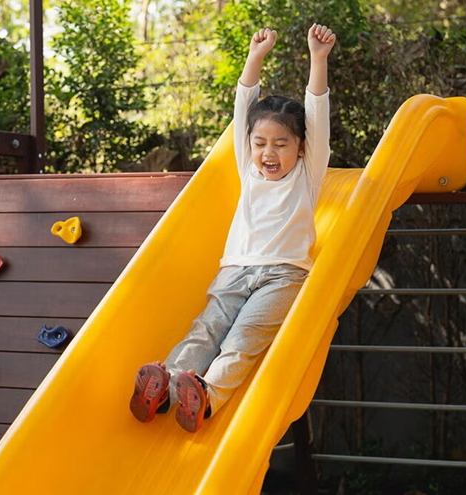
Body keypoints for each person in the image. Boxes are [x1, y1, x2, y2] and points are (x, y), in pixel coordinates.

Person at [130, 23, 336, 433]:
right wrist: (254, 57)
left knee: (243, 338)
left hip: (284, 274)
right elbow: (245, 105)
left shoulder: (307, 174)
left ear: (301, 147)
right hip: (234, 269)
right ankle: (166, 389)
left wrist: (318, 58)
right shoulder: (248, 166)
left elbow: (316, 111)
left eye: (281, 143)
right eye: (260, 143)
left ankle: (207, 396)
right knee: (205, 330)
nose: (268, 152)